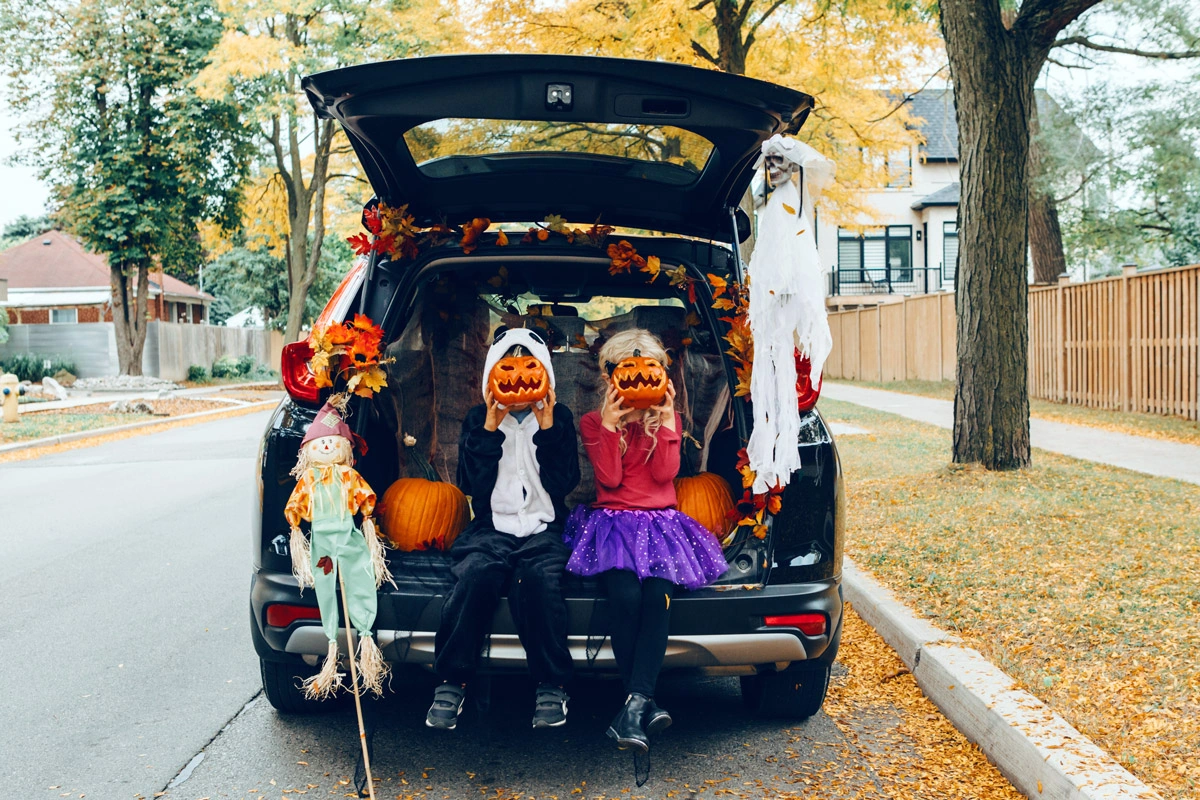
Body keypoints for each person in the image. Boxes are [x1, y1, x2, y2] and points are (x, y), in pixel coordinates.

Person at [563, 329, 728, 753]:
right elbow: (611, 480)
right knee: (626, 598)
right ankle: (642, 701)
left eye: (649, 369)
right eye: (627, 371)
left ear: (663, 374)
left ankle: (635, 704)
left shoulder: (667, 419)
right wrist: (611, 425)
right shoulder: (592, 422)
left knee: (657, 598)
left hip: (660, 525)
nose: (640, 378)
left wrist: (669, 418)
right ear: (610, 375)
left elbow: (663, 476)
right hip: (614, 525)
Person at [427, 326, 580, 731]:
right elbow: (472, 486)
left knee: (539, 581)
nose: (518, 377)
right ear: (491, 376)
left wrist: (548, 428)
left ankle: (551, 683)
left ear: (544, 372)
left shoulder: (558, 418)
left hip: (544, 527)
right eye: (506, 369)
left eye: (529, 367)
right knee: (475, 575)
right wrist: (490, 429)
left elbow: (564, 483)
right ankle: (452, 679)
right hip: (491, 527)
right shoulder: (478, 420)